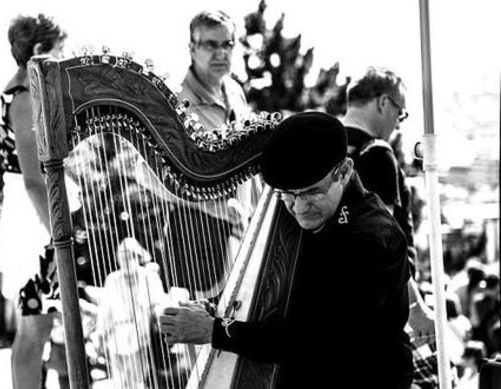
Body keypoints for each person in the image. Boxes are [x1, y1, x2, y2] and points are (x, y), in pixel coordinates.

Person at [160, 112, 414, 389]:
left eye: (310, 193)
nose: (298, 207)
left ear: (344, 171)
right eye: (287, 195)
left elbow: (313, 339)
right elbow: (273, 290)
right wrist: (216, 307)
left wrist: (214, 331)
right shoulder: (314, 216)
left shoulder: (371, 238)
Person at [341, 67, 439, 388]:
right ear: (384, 102)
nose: (399, 122)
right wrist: (416, 307)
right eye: (400, 112)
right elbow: (384, 244)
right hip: (381, 311)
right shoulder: (378, 153)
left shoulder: (325, 146)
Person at [0, 14, 67, 389]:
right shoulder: (23, 99)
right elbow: (33, 180)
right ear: (38, 51)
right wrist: (59, 231)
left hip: (29, 219)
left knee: (35, 329)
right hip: (32, 226)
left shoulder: (19, 92)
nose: (62, 60)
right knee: (32, 333)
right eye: (58, 52)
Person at [166, 10, 261, 299]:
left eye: (227, 44)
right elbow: (148, 175)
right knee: (207, 337)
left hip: (245, 235)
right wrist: (215, 207)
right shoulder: (175, 99)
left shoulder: (234, 90)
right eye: (210, 44)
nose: (221, 52)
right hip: (199, 243)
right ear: (192, 48)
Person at [95, 237, 168, 389]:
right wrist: (100, 336)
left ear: (137, 257)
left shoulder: (149, 277)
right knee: (121, 383)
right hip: (116, 340)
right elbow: (104, 311)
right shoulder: (112, 279)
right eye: (122, 258)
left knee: (137, 382)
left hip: (141, 338)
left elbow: (160, 304)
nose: (125, 262)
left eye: (129, 257)